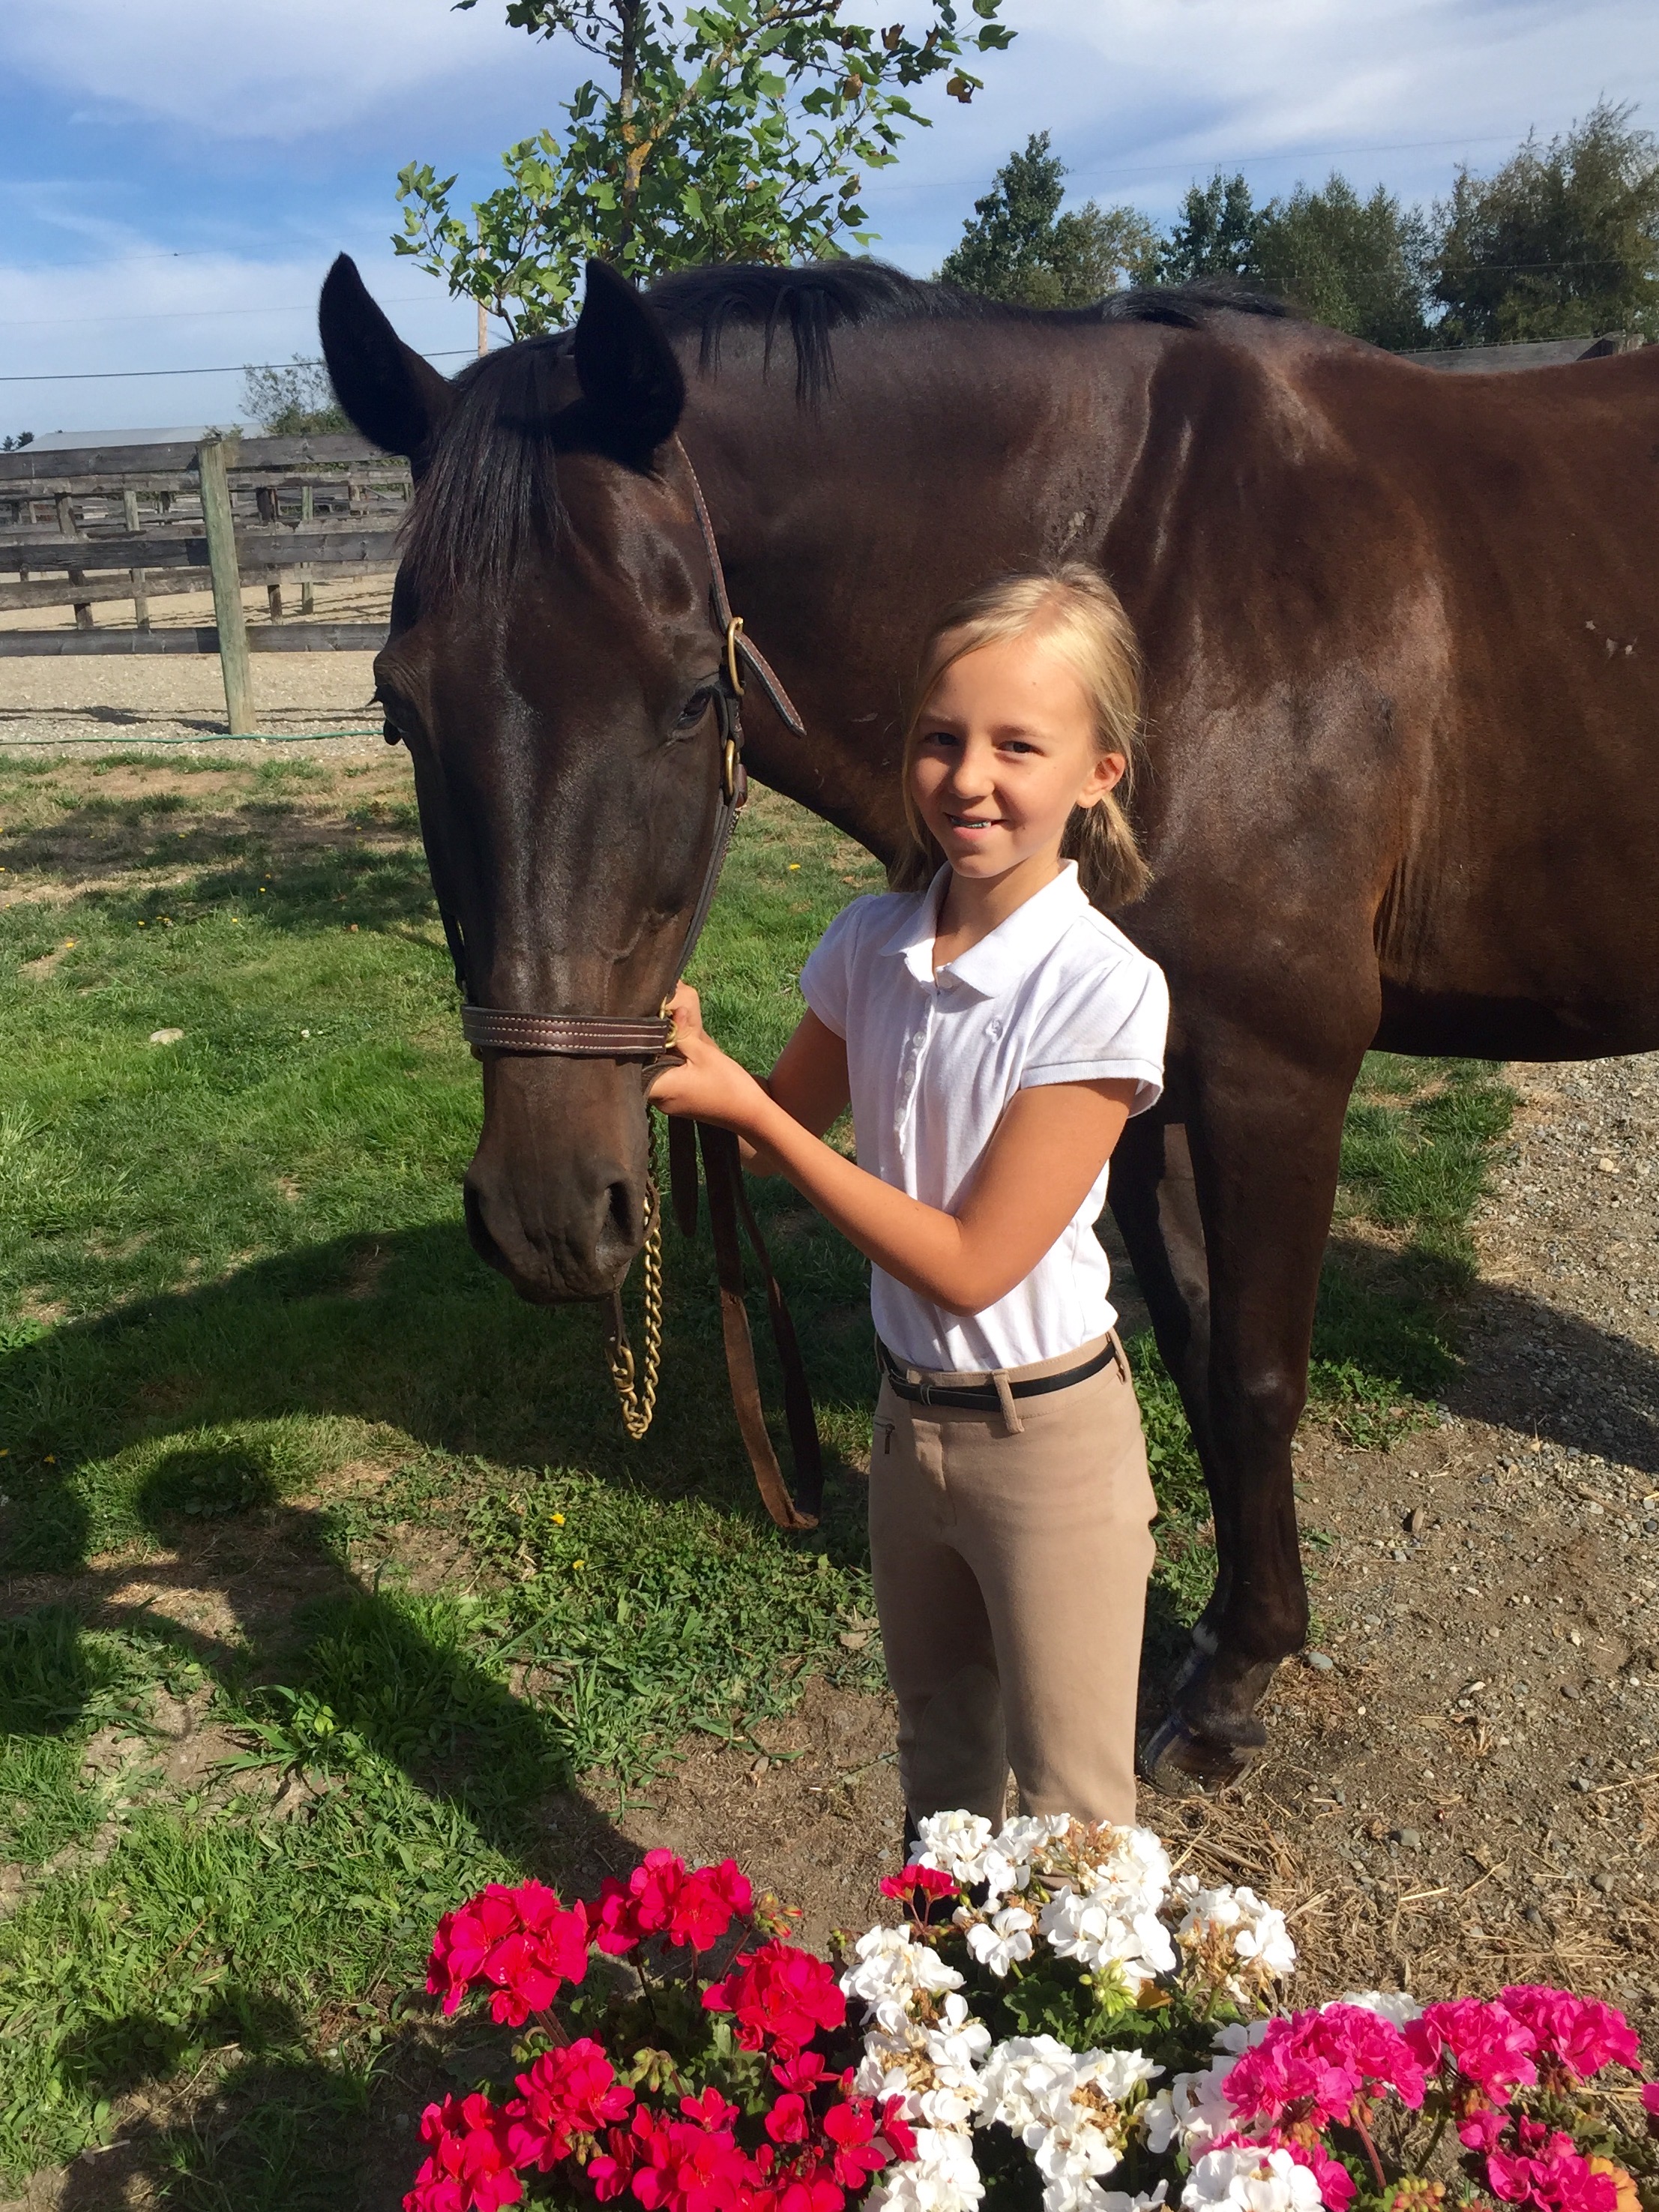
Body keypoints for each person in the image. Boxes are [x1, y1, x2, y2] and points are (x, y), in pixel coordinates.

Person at [647, 564, 1169, 1835]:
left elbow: (972, 1264)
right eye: (942, 740)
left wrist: (756, 1113)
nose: (969, 778)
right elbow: (778, 1143)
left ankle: (1077, 2038)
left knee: (1072, 1812)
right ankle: (930, 2033)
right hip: (905, 1422)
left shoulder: (1101, 987)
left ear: (1099, 771)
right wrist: (685, 1062)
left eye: (1017, 746)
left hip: (1045, 1439)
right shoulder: (864, 944)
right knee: (938, 1773)